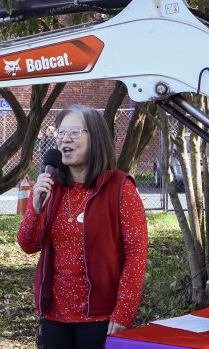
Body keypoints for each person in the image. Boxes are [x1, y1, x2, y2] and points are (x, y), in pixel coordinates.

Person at [17, 105, 148, 349]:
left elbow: (136, 254)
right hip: (54, 313)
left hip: (100, 315)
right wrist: (34, 209)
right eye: (60, 133)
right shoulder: (51, 186)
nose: (65, 139)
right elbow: (27, 244)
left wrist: (124, 312)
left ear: (95, 138)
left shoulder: (120, 188)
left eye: (75, 132)